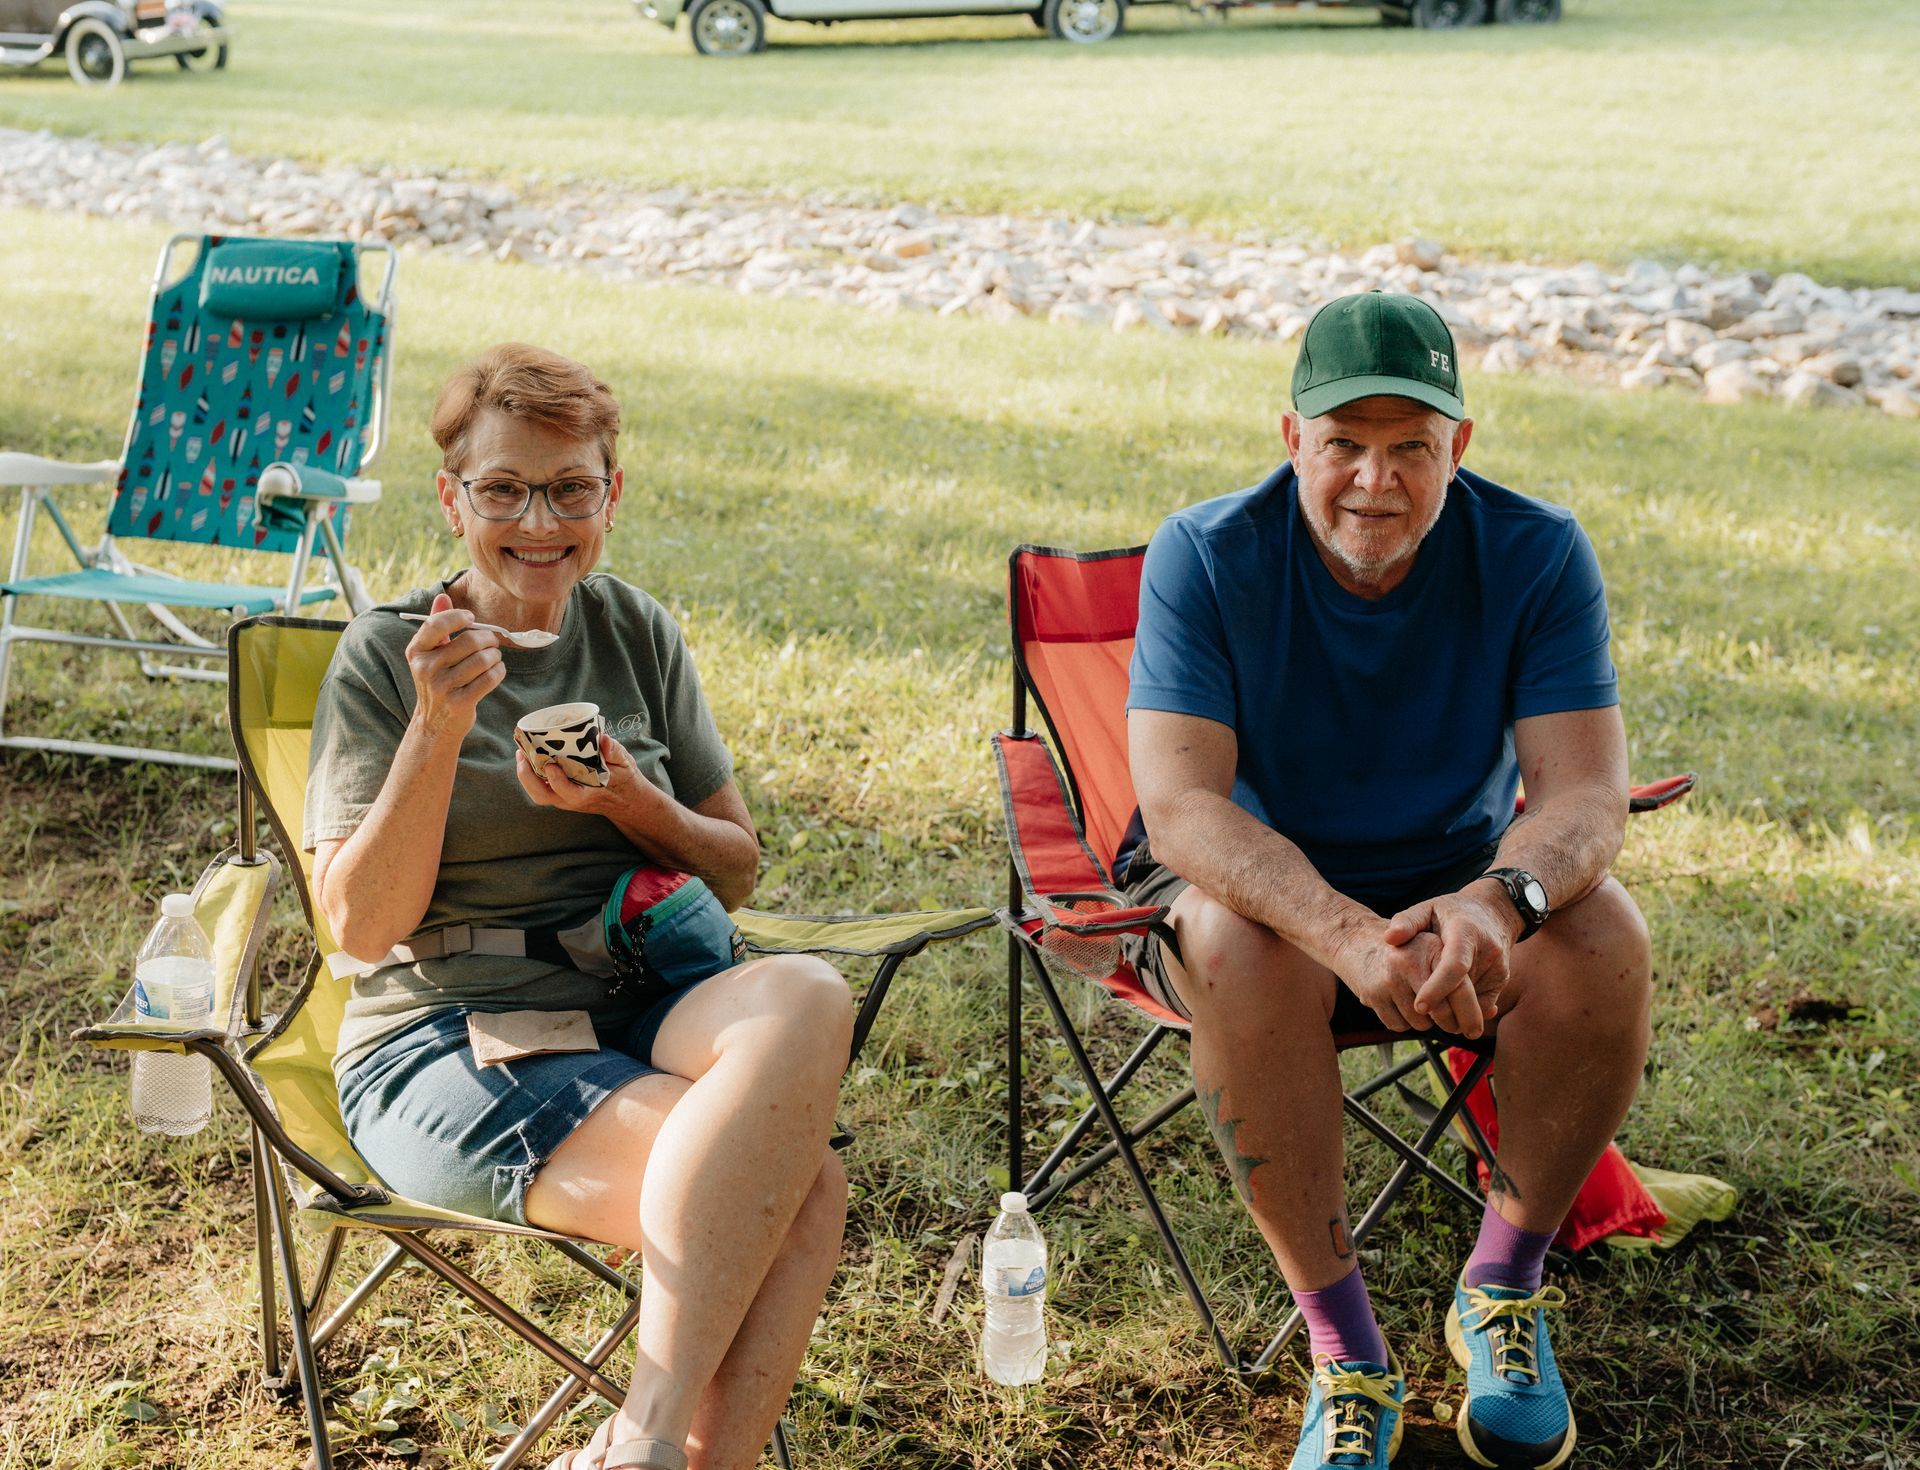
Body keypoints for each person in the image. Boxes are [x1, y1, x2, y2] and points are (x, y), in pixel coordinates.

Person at [1121, 293, 1651, 1470]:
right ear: (1290, 439)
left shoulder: (1536, 548)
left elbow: (1583, 798)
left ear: (1458, 447)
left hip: (1452, 873)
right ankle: (1347, 1350)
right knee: (1233, 943)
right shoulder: (1205, 553)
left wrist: (1494, 902)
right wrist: (1348, 934)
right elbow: (1184, 808)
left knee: (1604, 927)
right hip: (1254, 888)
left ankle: (1503, 1286)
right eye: (1343, 443)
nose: (1375, 479)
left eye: (1410, 445)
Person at [306, 343, 852, 1470]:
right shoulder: (385, 658)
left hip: (642, 993)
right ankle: (677, 1457)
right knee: (795, 1194)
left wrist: (630, 799)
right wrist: (437, 733)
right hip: (452, 1032)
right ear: (454, 500)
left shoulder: (635, 632)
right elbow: (358, 930)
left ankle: (642, 1445)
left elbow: (736, 868)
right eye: (503, 488)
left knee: (805, 987)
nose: (538, 519)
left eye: (571, 487)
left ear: (613, 495)